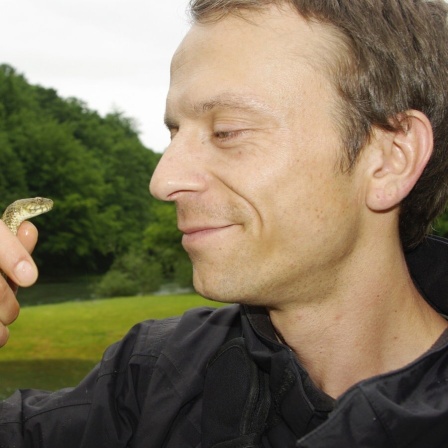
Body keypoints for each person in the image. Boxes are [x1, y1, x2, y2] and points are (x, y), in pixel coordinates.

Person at [1, 0, 448, 446]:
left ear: (391, 159)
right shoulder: (148, 380)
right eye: (174, 132)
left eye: (227, 131)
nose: (163, 180)